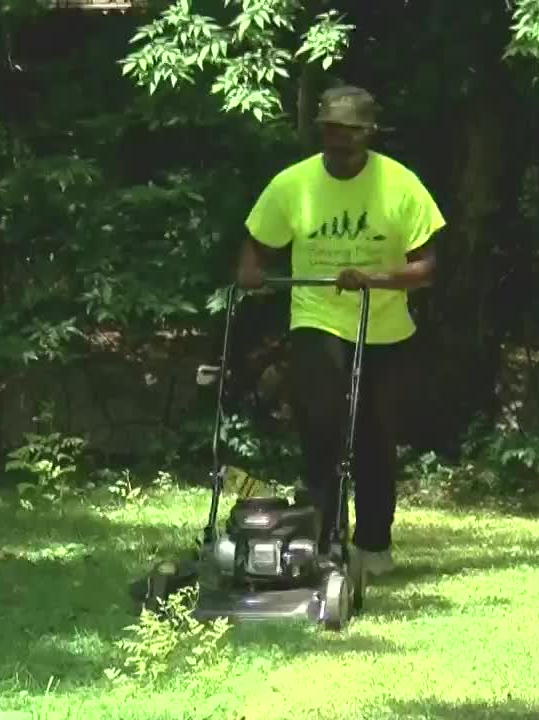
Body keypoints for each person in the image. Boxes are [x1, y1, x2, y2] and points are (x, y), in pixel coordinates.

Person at [235, 84, 446, 578]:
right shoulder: (293, 184)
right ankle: (326, 540)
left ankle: (373, 545)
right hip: (317, 315)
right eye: (331, 129)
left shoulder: (400, 185)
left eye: (349, 131)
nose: (338, 139)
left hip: (384, 326)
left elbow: (428, 268)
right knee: (322, 426)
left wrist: (373, 278)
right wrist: (250, 272)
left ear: (369, 133)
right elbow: (256, 245)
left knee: (374, 436)